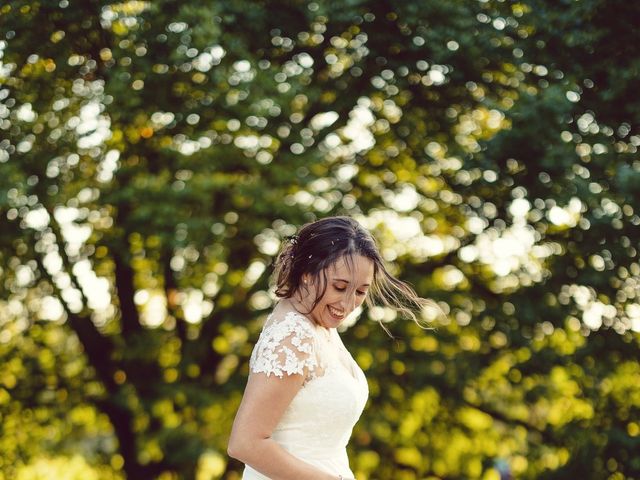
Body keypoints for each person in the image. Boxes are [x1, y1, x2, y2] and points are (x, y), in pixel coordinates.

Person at [227, 216, 430, 480]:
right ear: (308, 273)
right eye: (340, 287)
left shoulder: (319, 324)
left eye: (360, 292)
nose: (347, 305)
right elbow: (245, 443)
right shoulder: (292, 335)